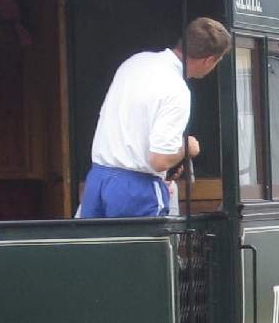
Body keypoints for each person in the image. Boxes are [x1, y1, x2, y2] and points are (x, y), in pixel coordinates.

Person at [81, 17, 231, 219]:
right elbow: (159, 160)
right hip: (136, 190)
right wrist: (188, 147)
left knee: (94, 250)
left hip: (98, 180)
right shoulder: (177, 90)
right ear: (209, 60)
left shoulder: (135, 62)